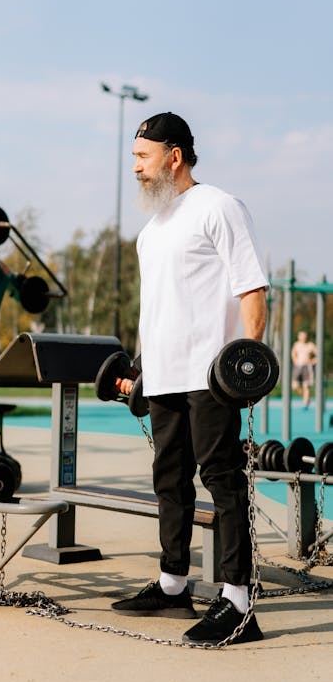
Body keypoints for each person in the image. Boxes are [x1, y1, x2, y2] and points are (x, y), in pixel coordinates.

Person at [111, 112, 269, 645]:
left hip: (210, 374)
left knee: (222, 481)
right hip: (162, 374)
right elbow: (157, 308)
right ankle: (173, 583)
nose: (134, 167)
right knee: (169, 481)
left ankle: (238, 603)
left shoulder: (219, 207)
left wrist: (246, 368)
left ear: (173, 156)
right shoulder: (151, 230)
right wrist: (140, 368)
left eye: (142, 157)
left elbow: (251, 288)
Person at [291, 330, 316, 409]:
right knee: (295, 386)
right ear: (299, 337)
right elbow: (293, 354)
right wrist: (295, 361)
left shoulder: (310, 345)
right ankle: (306, 397)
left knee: (306, 386)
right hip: (298, 366)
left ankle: (305, 404)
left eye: (304, 336)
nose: (303, 337)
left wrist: (312, 361)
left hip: (307, 367)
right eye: (301, 336)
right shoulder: (296, 345)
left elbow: (319, 354)